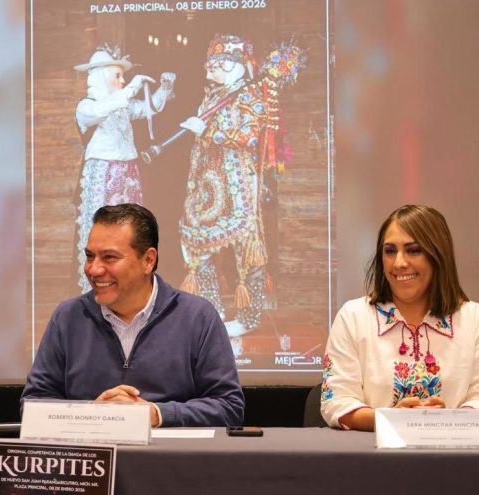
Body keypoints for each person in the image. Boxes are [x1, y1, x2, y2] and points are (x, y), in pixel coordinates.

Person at [21, 203, 244, 427]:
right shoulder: (67, 318)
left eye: (109, 257)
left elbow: (229, 407)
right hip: (92, 449)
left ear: (148, 260)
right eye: (89, 256)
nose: (94, 269)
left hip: (170, 450)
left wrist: (156, 414)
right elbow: (33, 404)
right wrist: (90, 414)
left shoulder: (197, 316)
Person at [179, 34, 304, 338]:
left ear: (236, 64)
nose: (212, 67)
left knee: (247, 248)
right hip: (208, 184)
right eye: (210, 62)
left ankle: (250, 316)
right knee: (196, 243)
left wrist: (207, 131)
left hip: (238, 181)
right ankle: (212, 309)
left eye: (220, 62)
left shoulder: (250, 94)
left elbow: (247, 135)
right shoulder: (213, 95)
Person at [320, 204, 479, 431]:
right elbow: (336, 402)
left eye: (413, 250)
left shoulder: (474, 320)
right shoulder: (353, 317)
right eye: (390, 251)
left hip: (455, 452)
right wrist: (390, 419)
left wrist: (446, 420)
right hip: (372, 453)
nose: (399, 263)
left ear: (438, 256)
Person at [73, 43, 175, 292]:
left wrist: (165, 88)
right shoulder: (87, 107)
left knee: (128, 228)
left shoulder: (122, 105)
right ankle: (96, 286)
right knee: (101, 226)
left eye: (122, 76)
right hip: (103, 171)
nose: (122, 80)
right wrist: (131, 88)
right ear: (100, 77)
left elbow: (148, 107)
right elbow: (102, 109)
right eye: (116, 76)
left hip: (128, 170)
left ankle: (125, 283)